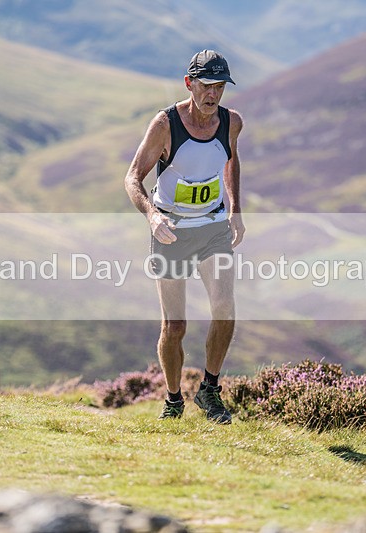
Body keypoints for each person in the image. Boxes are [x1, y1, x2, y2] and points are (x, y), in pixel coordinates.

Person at [124, 50, 245, 423]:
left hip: (212, 227)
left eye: (220, 87)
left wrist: (235, 209)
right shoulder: (165, 124)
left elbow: (231, 159)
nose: (213, 94)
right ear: (189, 83)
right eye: (206, 86)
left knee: (224, 308)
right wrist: (152, 216)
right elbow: (133, 178)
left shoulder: (232, 122)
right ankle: (174, 399)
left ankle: (209, 390)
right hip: (172, 231)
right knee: (175, 326)